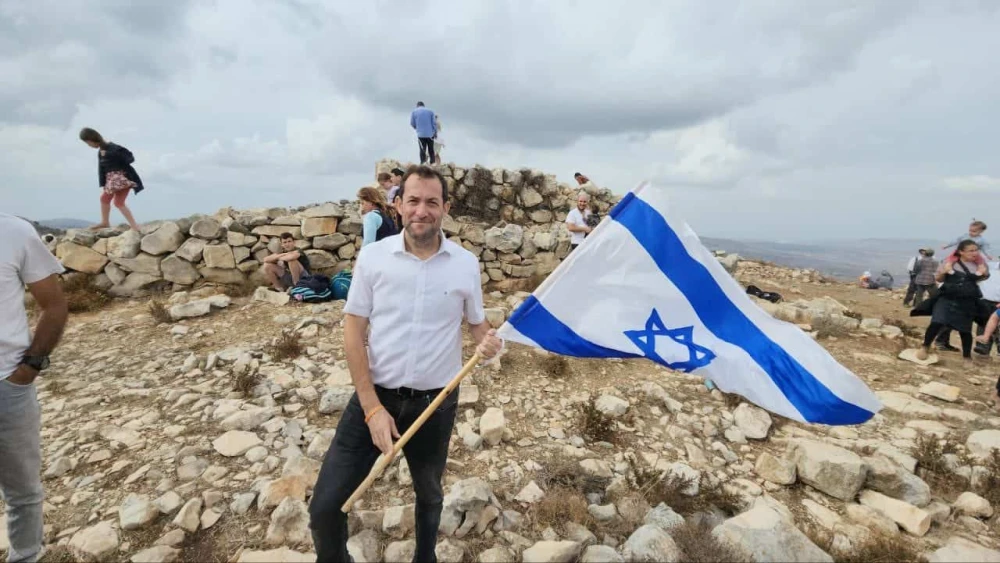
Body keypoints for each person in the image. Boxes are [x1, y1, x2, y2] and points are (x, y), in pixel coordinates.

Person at [308, 165, 503, 563]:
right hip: (374, 399)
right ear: (397, 205)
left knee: (429, 495)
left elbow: (477, 324)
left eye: (432, 202)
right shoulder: (374, 257)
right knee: (325, 508)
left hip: (437, 402)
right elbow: (353, 331)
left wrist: (490, 342)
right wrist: (372, 408)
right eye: (413, 200)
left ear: (445, 208)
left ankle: (424, 558)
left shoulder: (466, 263)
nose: (422, 210)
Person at [1, 213, 69, 563]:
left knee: (23, 492)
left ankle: (26, 556)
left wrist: (29, 368)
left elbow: (55, 305)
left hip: (6, 386)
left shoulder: (13, 231)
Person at [915, 240, 988, 363]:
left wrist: (982, 272)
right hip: (947, 298)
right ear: (961, 252)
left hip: (967, 301)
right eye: (971, 250)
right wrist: (944, 271)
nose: (975, 253)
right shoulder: (949, 262)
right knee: (937, 322)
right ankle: (925, 347)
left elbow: (983, 277)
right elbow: (938, 278)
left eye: (976, 250)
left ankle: (966, 357)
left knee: (965, 330)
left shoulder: (980, 265)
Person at [79, 127, 145, 232]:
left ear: (92, 139)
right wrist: (104, 183)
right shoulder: (101, 151)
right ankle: (112, 223)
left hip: (121, 179)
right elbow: (102, 170)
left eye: (88, 143)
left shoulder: (113, 147)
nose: (89, 146)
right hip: (112, 180)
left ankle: (128, 225)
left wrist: (109, 154)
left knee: (112, 201)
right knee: (112, 201)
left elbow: (130, 158)